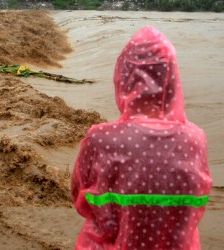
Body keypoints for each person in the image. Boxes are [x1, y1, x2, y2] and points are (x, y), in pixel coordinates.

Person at [71, 26, 212, 250]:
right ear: (172, 78)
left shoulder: (100, 137)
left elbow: (80, 199)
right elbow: (195, 208)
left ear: (123, 77)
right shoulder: (196, 138)